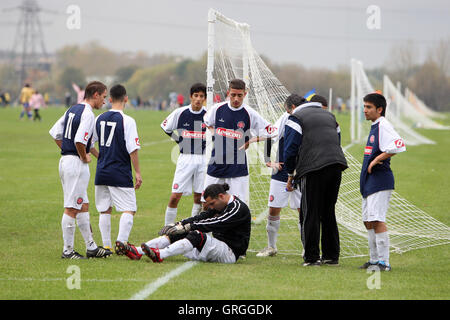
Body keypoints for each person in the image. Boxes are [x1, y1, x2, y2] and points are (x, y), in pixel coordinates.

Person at [49, 81, 112, 259]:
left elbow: (56, 133)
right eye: (104, 96)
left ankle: (91, 247)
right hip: (75, 163)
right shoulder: (88, 114)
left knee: (83, 205)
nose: (104, 101)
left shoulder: (73, 109)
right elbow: (79, 141)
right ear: (95, 95)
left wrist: (99, 157)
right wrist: (82, 156)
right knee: (72, 207)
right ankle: (67, 251)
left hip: (67, 161)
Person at [284, 94, 348, 266]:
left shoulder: (295, 118)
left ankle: (312, 257)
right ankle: (331, 256)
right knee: (328, 211)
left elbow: (290, 150)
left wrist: (290, 174)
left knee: (310, 211)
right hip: (336, 164)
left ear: (290, 107)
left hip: (314, 167)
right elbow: (337, 141)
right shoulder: (330, 116)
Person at [116, 183, 251, 264]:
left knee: (196, 235)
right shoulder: (219, 205)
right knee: (180, 232)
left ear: (221, 196)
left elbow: (217, 222)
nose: (210, 207)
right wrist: (179, 224)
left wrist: (189, 227)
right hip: (216, 248)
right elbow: (202, 217)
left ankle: (160, 255)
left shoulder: (238, 208)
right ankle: (138, 252)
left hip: (229, 253)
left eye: (212, 204)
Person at [203, 79, 276, 205]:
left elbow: (273, 132)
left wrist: (251, 140)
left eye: (239, 95)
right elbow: (206, 121)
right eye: (233, 95)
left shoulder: (250, 113)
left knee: (238, 204)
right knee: (207, 202)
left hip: (238, 166)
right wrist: (213, 131)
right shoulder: (217, 109)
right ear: (228, 93)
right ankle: (206, 224)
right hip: (216, 163)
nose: (236, 99)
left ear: (245, 94)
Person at [90, 84, 142, 253]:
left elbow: (90, 144)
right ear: (126, 98)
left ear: (110, 99)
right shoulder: (128, 121)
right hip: (119, 171)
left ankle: (106, 245)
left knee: (104, 209)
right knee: (129, 208)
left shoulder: (99, 118)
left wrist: (102, 157)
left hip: (102, 171)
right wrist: (138, 172)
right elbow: (132, 149)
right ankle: (121, 242)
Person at [359, 93, 406, 272]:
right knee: (367, 221)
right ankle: (373, 260)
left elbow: (399, 145)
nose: (365, 110)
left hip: (380, 179)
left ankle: (384, 262)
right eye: (364, 106)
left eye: (369, 107)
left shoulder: (384, 125)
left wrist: (377, 159)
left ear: (380, 109)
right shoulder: (375, 125)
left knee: (377, 219)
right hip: (369, 180)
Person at [254, 98, 303, 257]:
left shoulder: (307, 118)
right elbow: (270, 135)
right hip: (282, 171)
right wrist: (268, 161)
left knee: (303, 211)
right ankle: (271, 247)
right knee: (274, 209)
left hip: (302, 172)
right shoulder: (285, 118)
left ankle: (307, 248)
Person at [160, 83, 207, 225]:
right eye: (196, 96)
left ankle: (195, 228)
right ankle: (167, 228)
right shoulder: (180, 112)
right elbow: (165, 126)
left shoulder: (208, 114)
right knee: (175, 196)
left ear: (204, 98)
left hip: (204, 159)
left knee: (199, 198)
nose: (198, 99)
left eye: (201, 96)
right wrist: (178, 140)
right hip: (185, 158)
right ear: (190, 97)